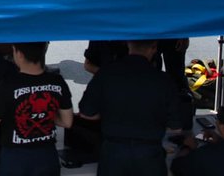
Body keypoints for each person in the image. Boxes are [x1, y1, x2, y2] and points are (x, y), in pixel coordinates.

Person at [77, 39, 184, 176]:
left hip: (113, 154)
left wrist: (108, 114)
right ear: (154, 47)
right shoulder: (164, 80)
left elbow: (86, 112)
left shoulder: (106, 74)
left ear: (128, 44)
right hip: (149, 154)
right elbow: (176, 127)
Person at [0, 41, 74, 176]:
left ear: (18, 53)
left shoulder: (8, 85)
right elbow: (67, 122)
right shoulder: (57, 81)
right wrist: (44, 115)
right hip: (47, 159)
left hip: (15, 160)